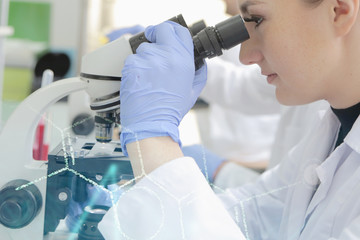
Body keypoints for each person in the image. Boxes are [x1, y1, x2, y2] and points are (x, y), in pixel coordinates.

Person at [98, 0, 360, 239]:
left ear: (339, 10)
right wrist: (126, 211)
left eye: (257, 19)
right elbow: (252, 215)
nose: (245, 57)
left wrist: (154, 144)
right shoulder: (331, 132)